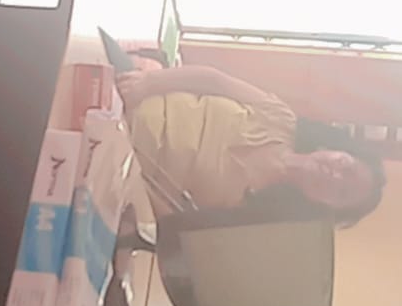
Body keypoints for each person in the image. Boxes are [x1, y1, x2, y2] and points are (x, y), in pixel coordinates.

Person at [116, 60, 384, 226]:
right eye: (346, 166)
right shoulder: (281, 119)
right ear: (332, 148)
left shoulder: (254, 212)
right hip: (130, 99)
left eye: (342, 193)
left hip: (117, 165)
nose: (335, 177)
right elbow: (214, 81)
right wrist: (148, 82)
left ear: (325, 207)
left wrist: (130, 185)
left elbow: (171, 215)